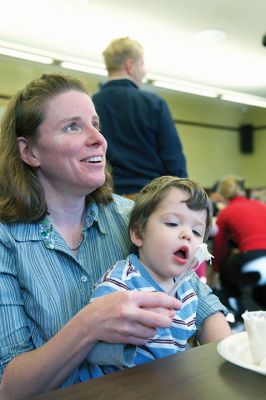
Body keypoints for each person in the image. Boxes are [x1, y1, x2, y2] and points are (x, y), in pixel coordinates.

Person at [0, 73, 183, 400]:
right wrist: (90, 323)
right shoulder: (6, 239)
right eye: (72, 126)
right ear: (29, 152)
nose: (98, 138)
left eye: (95, 124)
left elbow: (205, 305)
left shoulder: (132, 216)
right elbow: (8, 387)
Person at [83, 176, 231, 379]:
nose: (187, 235)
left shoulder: (188, 290)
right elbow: (90, 346)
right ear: (138, 233)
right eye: (172, 223)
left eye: (197, 232)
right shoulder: (121, 283)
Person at [92, 37, 187, 199]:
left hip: (105, 198)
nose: (144, 71)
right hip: (148, 198)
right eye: (142, 64)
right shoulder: (154, 104)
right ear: (130, 65)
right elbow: (173, 159)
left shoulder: (91, 104)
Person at [211, 175, 266, 318]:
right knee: (259, 294)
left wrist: (216, 273)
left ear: (222, 195)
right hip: (260, 259)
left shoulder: (226, 212)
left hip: (253, 258)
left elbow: (220, 249)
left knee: (226, 271)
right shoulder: (260, 205)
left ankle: (238, 317)